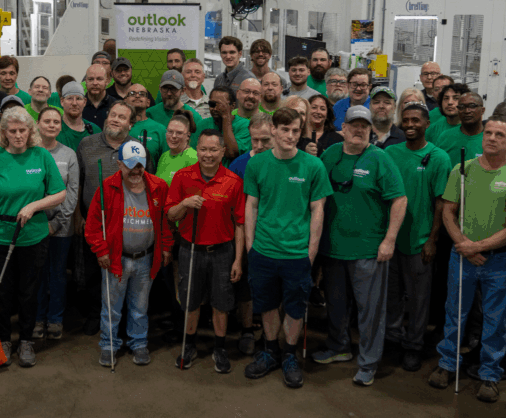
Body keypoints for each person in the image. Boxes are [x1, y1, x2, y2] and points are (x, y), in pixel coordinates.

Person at [428, 116, 506, 403]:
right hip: (462, 256)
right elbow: (448, 211)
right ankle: (447, 364)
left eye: (500, 134)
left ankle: (489, 374)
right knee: (454, 313)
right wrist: (464, 244)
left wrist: (477, 247)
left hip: (498, 262)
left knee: (494, 320)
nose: (492, 138)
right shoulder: (462, 170)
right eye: (488, 133)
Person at [314, 105, 407, 387]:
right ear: (343, 128)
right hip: (332, 248)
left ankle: (368, 363)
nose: (358, 130)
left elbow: (399, 199)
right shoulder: (329, 155)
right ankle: (339, 346)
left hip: (368, 250)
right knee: (336, 304)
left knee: (370, 311)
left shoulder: (380, 158)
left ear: (371, 130)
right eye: (353, 125)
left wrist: (389, 240)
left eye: (364, 126)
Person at [242, 108, 332, 387]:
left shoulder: (313, 166)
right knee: (267, 305)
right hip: (264, 250)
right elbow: (251, 206)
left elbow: (318, 211)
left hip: (297, 253)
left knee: (295, 308)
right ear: (273, 130)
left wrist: (311, 252)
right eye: (285, 130)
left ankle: (289, 355)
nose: (290, 136)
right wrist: (250, 248)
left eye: (295, 130)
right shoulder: (257, 164)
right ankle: (270, 352)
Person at [0, 107, 66, 368]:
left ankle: (25, 340)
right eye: (12, 131)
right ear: (4, 133)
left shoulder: (41, 156)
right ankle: (3, 340)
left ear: (30, 131)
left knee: (29, 292)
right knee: (1, 293)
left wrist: (34, 206)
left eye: (23, 130)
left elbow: (59, 194)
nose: (18, 135)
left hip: (32, 238)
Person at [86, 140, 173, 367]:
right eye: (131, 165)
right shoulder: (107, 188)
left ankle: (138, 343)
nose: (136, 171)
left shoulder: (158, 186)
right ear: (119, 164)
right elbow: (94, 225)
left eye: (140, 165)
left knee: (140, 307)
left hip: (146, 258)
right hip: (116, 258)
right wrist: (101, 250)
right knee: (111, 307)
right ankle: (109, 344)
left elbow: (163, 222)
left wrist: (165, 246)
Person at [166, 129, 246, 373]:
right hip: (190, 251)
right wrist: (184, 204)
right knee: (190, 302)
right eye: (203, 149)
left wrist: (238, 261)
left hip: (223, 252)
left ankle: (219, 348)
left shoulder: (233, 181)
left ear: (222, 152)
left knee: (221, 304)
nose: (208, 155)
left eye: (213, 150)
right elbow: (170, 215)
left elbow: (240, 223)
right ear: (196, 149)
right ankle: (188, 345)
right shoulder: (182, 177)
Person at [383, 102, 451, 372]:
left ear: (426, 124)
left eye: (416, 121)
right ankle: (392, 339)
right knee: (392, 295)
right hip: (391, 239)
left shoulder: (439, 157)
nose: (410, 125)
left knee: (419, 299)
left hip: (420, 241)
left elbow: (441, 203)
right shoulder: (390, 153)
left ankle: (413, 346)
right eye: (406, 120)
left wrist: (432, 240)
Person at [75, 101, 138, 335]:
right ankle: (95, 314)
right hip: (94, 223)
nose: (115, 119)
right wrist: (79, 216)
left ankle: (121, 320)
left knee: (121, 273)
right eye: (113, 115)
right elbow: (78, 182)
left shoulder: (137, 148)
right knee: (93, 272)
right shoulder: (87, 144)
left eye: (122, 117)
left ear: (130, 124)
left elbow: (144, 184)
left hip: (127, 224)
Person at [33, 107, 80, 341]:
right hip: (35, 227)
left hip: (62, 228)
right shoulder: (30, 153)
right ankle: (37, 318)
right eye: (47, 121)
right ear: (38, 124)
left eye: (56, 122)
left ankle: (55, 319)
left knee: (58, 274)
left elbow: (72, 193)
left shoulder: (69, 155)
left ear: (61, 126)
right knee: (38, 274)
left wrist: (58, 223)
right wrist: (41, 223)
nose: (52, 125)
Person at [146, 70, 204, 134]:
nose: (169, 93)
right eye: (165, 88)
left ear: (183, 91)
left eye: (174, 89)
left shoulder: (194, 117)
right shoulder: (149, 114)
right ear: (160, 89)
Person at [199, 86, 248, 160]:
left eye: (221, 105)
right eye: (212, 104)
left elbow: (231, 153)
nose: (215, 108)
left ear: (233, 106)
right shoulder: (202, 124)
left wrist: (225, 116)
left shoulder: (245, 125)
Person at [127, 85, 167, 164]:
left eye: (142, 94)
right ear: (125, 100)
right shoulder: (119, 125)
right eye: (132, 93)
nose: (137, 96)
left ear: (148, 102)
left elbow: (165, 161)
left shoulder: (160, 129)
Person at [228, 112, 274, 179]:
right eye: (255, 140)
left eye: (265, 140)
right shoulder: (237, 166)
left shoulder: (286, 163)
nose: (259, 146)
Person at [156, 113, 198, 185]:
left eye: (179, 133)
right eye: (170, 132)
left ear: (188, 135)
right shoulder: (164, 156)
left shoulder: (193, 158)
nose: (174, 136)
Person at [58, 81, 98, 151]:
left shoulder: (95, 131)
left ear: (84, 102)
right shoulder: (54, 130)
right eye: (69, 98)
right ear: (62, 101)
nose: (74, 103)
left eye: (78, 98)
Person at [83, 64, 117, 129]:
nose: (95, 83)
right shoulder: (78, 106)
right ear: (86, 81)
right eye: (91, 79)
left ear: (106, 82)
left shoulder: (116, 105)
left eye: (99, 79)